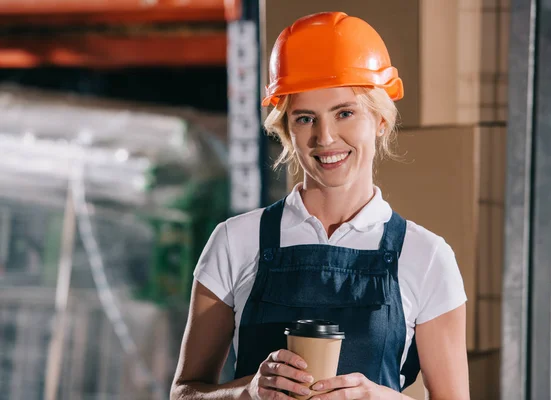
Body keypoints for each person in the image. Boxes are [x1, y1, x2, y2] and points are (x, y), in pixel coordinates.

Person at [171, 11, 470, 400]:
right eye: (305, 118)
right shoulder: (235, 241)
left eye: (345, 113)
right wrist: (248, 392)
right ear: (286, 128)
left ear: (380, 120)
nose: (325, 137)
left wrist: (375, 398)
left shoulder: (426, 256)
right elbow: (184, 393)